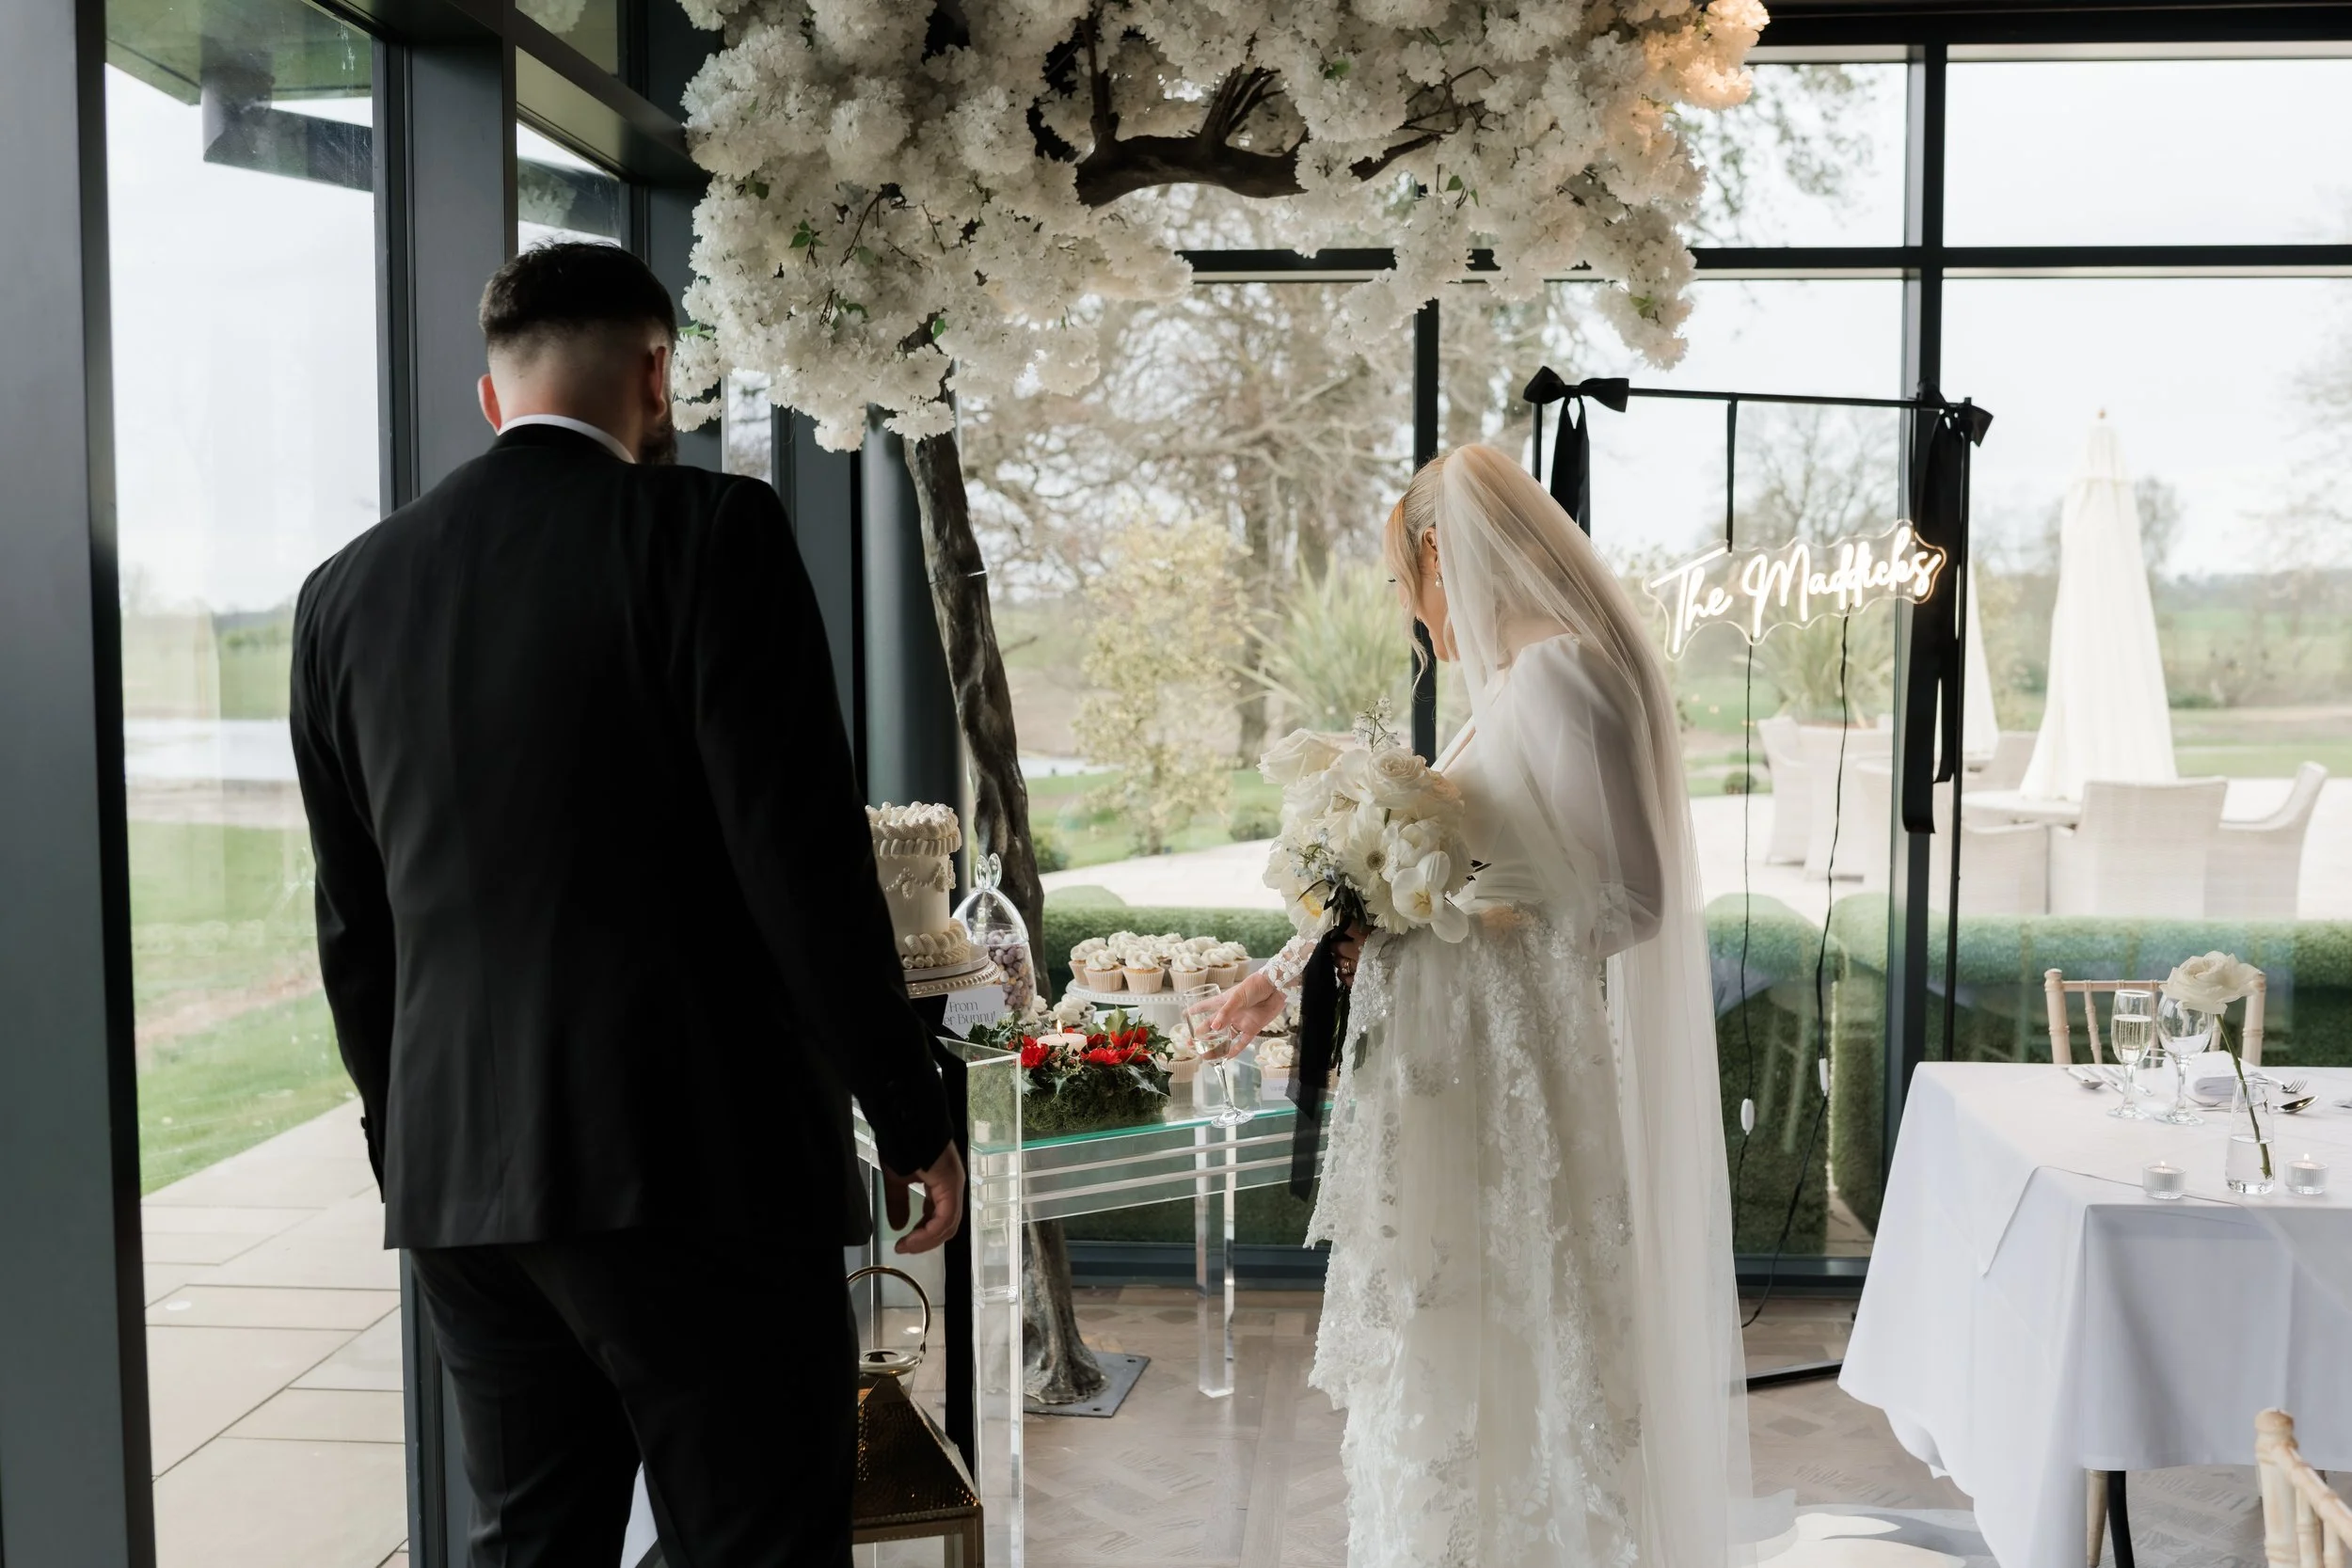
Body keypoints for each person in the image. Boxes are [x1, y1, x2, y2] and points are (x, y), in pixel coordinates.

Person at [290, 241, 964, 1568]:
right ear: (659, 375)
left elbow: (353, 925)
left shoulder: (342, 594)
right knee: (754, 1535)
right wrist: (906, 1106)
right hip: (692, 1164)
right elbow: (802, 866)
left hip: (463, 1181)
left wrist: (410, 1139)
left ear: (493, 398)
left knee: (532, 1539)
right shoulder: (711, 534)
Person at [1192, 443, 1782, 1566]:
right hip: (1451, 1075)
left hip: (1515, 1078)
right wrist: (1281, 972)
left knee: (1522, 1325)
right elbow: (1411, 863)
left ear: (1438, 554)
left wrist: (1443, 908)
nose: (1416, 620)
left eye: (1404, 587)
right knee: (1447, 1337)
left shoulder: (1565, 673)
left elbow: (1632, 901)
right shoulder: (1507, 690)